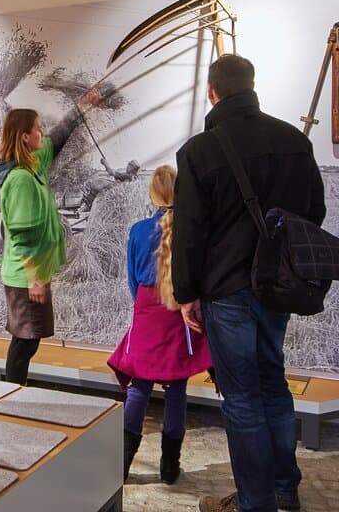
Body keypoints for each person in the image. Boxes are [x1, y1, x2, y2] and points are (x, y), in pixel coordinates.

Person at [172, 55, 326, 512]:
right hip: (277, 287)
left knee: (241, 398)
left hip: (226, 291)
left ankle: (254, 502)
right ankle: (283, 489)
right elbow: (313, 213)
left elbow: (189, 233)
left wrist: (186, 294)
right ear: (252, 85)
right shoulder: (294, 142)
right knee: (273, 382)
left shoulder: (199, 151)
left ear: (212, 91)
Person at [107, 165, 212, 484]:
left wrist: (143, 305)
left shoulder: (138, 231)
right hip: (178, 309)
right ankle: (169, 467)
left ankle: (122, 465)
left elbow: (131, 281)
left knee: (139, 386)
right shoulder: (192, 230)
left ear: (153, 193)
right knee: (176, 386)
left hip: (147, 310)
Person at [0, 88, 100, 384]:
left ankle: (14, 388)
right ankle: (12, 392)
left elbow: (58, 139)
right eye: (38, 129)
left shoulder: (32, 163)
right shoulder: (21, 179)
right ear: (25, 137)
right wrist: (36, 277)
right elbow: (24, 233)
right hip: (25, 275)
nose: (43, 133)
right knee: (25, 340)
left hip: (30, 274)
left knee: (28, 340)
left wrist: (81, 108)